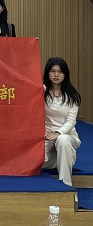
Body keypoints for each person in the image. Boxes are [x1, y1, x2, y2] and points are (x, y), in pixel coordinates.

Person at [42, 57, 81, 186]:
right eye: (53, 71)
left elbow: (71, 121)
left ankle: (65, 185)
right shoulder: (41, 91)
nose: (56, 75)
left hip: (67, 134)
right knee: (38, 160)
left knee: (63, 141)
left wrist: (58, 133)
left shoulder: (73, 95)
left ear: (65, 74)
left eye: (60, 71)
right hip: (45, 134)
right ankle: (63, 159)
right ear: (48, 73)